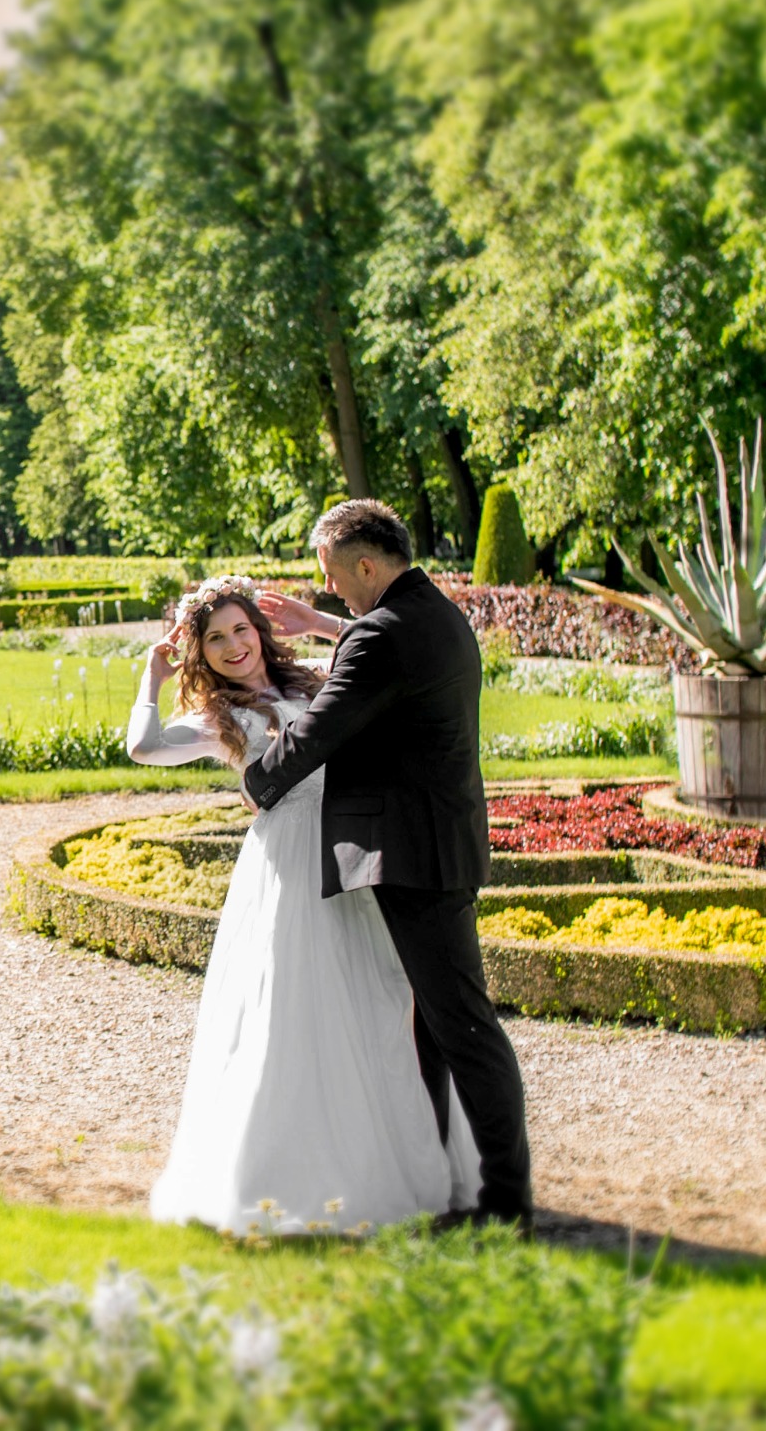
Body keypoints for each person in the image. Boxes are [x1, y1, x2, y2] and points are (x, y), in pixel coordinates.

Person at [131, 573, 479, 1234]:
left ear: (260, 631)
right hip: (286, 863)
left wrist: (318, 621)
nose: (234, 646)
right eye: (216, 639)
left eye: (241, 629)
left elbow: (397, 655)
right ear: (198, 652)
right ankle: (293, 1172)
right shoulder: (217, 718)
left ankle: (401, 1160)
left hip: (351, 847)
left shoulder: (313, 681)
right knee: (293, 1009)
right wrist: (151, 675)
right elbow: (143, 746)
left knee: (379, 1000)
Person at [246, 499, 532, 1230]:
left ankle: (504, 1201)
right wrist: (321, 628)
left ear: (367, 566)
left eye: (336, 579)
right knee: (435, 1030)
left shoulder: (382, 636)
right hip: (441, 844)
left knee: (463, 1028)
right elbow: (376, 643)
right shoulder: (431, 611)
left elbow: (318, 728)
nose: (332, 591)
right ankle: (442, 1175)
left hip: (416, 855)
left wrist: (258, 781)